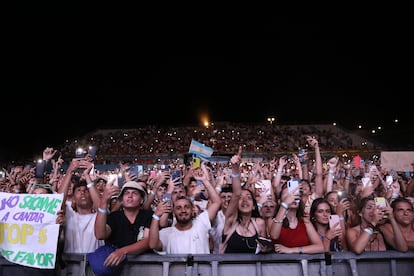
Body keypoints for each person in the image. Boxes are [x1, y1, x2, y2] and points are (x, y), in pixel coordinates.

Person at [148, 162, 221, 254]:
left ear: (192, 210)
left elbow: (217, 202)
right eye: (178, 208)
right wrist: (155, 216)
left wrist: (205, 180)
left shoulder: (201, 222)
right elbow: (152, 245)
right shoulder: (168, 233)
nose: (183, 210)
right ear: (173, 212)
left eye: (186, 207)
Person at [221, 147, 272, 254]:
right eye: (241, 198)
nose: (244, 200)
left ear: (254, 206)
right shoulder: (230, 221)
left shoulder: (260, 224)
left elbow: (265, 250)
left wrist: (266, 249)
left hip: (254, 270)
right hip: (229, 270)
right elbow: (236, 193)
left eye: (249, 197)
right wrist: (235, 169)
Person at [93, 181, 152, 271]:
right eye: (126, 193)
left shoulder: (148, 215)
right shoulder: (113, 217)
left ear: (141, 200)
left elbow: (147, 241)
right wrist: (104, 202)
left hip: (145, 269)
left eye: (135, 193)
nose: (130, 196)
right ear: (121, 199)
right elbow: (100, 235)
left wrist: (122, 251)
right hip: (116, 270)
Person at [269, 179, 324, 254]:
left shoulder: (305, 222)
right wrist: (285, 205)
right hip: (280, 264)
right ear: (280, 201)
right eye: (288, 195)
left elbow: (320, 247)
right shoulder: (272, 220)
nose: (292, 197)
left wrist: (291, 250)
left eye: (295, 194)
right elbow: (274, 235)